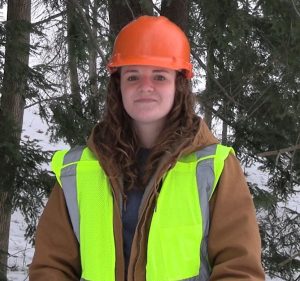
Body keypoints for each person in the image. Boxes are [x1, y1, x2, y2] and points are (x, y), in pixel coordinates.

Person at [29, 16, 265, 281]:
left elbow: (239, 268)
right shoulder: (77, 170)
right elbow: (51, 266)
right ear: (118, 86)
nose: (145, 87)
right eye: (133, 76)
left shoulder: (214, 167)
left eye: (160, 76)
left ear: (180, 85)